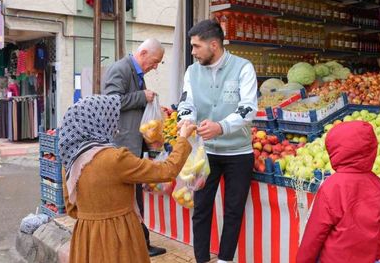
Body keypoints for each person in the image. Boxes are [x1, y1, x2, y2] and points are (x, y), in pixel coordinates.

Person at [59, 95, 197, 263]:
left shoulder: (70, 162)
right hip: (120, 237)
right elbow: (167, 170)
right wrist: (182, 138)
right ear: (101, 121)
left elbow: (72, 209)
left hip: (86, 240)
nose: (116, 125)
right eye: (113, 118)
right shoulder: (115, 159)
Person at [177, 19, 258, 263]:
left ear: (214, 44)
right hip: (205, 153)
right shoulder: (192, 71)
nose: (192, 52)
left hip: (239, 153)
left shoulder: (243, 68)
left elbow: (248, 108)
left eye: (196, 46)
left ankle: (224, 259)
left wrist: (221, 127)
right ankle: (201, 259)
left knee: (233, 210)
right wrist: (186, 119)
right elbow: (186, 102)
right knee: (201, 209)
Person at [102, 38, 166, 257]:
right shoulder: (120, 69)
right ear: (144, 53)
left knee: (134, 197)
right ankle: (138, 244)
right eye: (155, 61)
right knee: (129, 197)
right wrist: (142, 97)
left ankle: (138, 242)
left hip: (134, 144)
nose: (155, 66)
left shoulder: (136, 73)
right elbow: (111, 102)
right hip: (123, 145)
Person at [296, 121, 380, 263]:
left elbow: (315, 234)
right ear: (372, 149)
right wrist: (376, 257)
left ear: (335, 151)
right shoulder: (378, 185)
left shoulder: (331, 187)